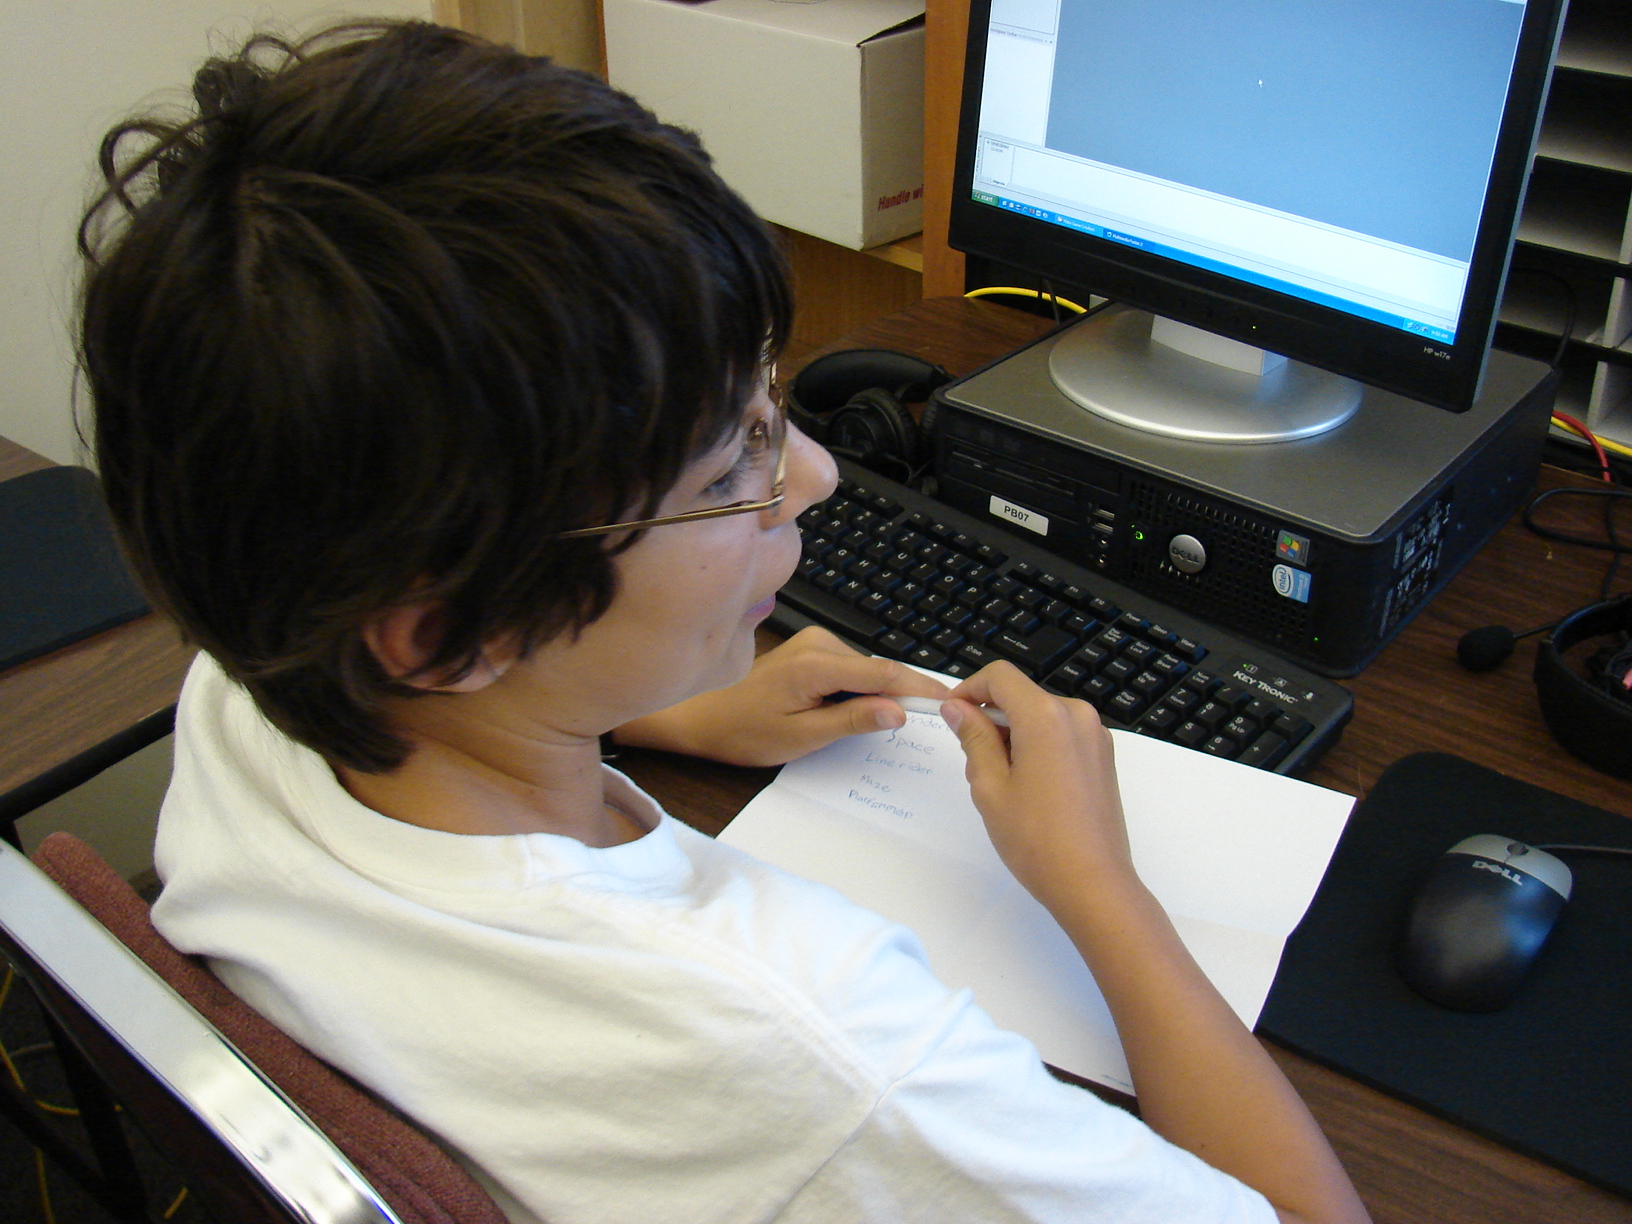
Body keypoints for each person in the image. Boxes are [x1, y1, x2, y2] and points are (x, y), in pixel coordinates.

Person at [77, 20, 1369, 1224]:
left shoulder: (262, 659)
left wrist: (675, 711)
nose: (815, 474)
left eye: (770, 402)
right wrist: (1100, 890)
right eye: (725, 468)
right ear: (449, 637)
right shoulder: (824, 1052)